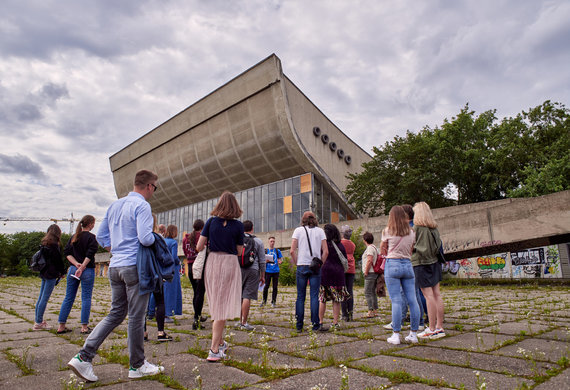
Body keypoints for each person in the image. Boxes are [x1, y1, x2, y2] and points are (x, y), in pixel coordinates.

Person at [68, 169, 163, 382]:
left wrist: (117, 248)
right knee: (136, 317)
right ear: (149, 186)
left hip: (115, 266)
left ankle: (84, 356)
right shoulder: (142, 206)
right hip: (134, 266)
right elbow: (145, 239)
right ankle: (137, 365)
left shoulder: (115, 205)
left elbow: (101, 235)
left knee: (116, 313)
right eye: (154, 188)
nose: (153, 192)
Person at [196, 191, 243, 362]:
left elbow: (199, 247)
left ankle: (221, 342)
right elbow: (239, 251)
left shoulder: (210, 222)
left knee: (217, 302)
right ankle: (214, 349)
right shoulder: (238, 226)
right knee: (222, 305)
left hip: (213, 261)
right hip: (229, 262)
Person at [383, 204, 426, 332]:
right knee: (413, 298)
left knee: (396, 300)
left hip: (393, 263)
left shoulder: (388, 230)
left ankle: (396, 331)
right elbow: (411, 249)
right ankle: (415, 330)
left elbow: (383, 249)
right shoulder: (412, 231)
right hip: (408, 264)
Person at [57, 215, 98, 335]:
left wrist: (76, 264)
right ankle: (84, 326)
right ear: (90, 224)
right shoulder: (92, 238)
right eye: (93, 223)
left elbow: (67, 253)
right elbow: (90, 254)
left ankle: (61, 325)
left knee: (69, 297)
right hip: (87, 270)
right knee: (86, 297)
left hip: (73, 269)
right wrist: (83, 266)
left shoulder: (74, 237)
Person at [412, 202, 446, 340]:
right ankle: (439, 327)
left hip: (421, 263)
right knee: (437, 294)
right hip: (435, 262)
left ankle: (431, 328)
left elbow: (414, 247)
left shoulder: (417, 228)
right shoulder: (434, 228)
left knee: (428, 296)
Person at [291, 211, 328, 332]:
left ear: (303, 219)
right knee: (314, 296)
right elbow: (326, 252)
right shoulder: (320, 231)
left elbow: (292, 251)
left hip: (302, 265)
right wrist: (320, 264)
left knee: (300, 297)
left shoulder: (298, 230)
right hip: (315, 267)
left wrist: (297, 262)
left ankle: (299, 325)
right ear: (314, 219)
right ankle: (315, 325)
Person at [33, 224, 65, 331]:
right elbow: (58, 261)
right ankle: (38, 322)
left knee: (41, 297)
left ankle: (38, 320)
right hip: (51, 274)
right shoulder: (54, 245)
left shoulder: (44, 244)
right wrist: (62, 272)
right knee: (44, 298)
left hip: (44, 272)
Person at [144, 215, 170, 342]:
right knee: (160, 301)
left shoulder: (139, 237)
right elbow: (164, 256)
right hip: (156, 272)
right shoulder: (158, 237)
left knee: (142, 303)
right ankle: (160, 332)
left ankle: (143, 332)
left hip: (143, 271)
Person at [319, 224, 349, 330]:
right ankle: (335, 322)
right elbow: (345, 259)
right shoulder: (340, 245)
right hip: (338, 275)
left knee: (322, 299)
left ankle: (320, 321)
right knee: (336, 300)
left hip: (325, 274)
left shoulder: (323, 245)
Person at [236, 220, 265, 331]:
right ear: (252, 228)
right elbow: (262, 260)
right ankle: (244, 322)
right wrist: (262, 275)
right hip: (253, 270)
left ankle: (239, 322)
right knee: (247, 296)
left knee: (240, 296)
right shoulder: (258, 241)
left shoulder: (237, 239)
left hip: (239, 269)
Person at [183, 219, 207, 330]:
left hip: (190, 266)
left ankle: (197, 315)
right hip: (200, 266)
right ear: (202, 227)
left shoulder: (185, 239)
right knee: (200, 293)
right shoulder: (202, 237)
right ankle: (196, 319)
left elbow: (185, 252)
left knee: (195, 292)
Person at [163, 224, 183, 322]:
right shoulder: (174, 243)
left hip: (163, 268)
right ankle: (168, 313)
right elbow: (174, 256)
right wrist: (178, 262)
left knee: (163, 291)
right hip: (172, 269)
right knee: (171, 292)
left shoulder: (163, 241)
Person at [340, 226, 356, 322]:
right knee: (350, 291)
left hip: (343, 268)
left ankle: (344, 314)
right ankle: (351, 313)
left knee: (343, 291)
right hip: (351, 268)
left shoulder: (341, 243)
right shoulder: (352, 244)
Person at [261, 236, 283, 308]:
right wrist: (265, 261)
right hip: (268, 271)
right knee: (266, 287)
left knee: (275, 287)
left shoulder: (277, 251)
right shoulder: (266, 251)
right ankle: (264, 301)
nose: (272, 243)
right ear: (268, 242)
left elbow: (280, 259)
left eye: (273, 241)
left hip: (276, 271)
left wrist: (280, 261)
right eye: (271, 241)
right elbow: (262, 261)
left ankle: (273, 301)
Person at [361, 232, 379, 318]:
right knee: (372, 292)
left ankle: (370, 310)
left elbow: (369, 260)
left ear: (365, 240)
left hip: (370, 273)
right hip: (374, 273)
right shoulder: (375, 247)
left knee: (367, 292)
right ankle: (375, 310)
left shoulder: (369, 249)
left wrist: (366, 271)